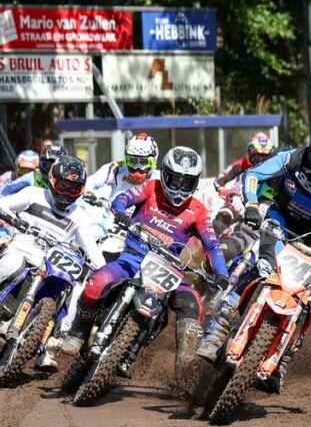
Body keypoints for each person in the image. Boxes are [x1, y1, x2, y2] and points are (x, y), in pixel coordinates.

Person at [196, 117, 311, 391]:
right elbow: (253, 175)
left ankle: (284, 359)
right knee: (261, 269)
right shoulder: (293, 159)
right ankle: (216, 331)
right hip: (281, 223)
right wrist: (252, 205)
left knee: (310, 299)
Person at [58, 147, 229, 380]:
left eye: (186, 182)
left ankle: (185, 372)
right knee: (97, 282)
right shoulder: (150, 187)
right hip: (133, 258)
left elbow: (212, 245)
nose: (179, 188)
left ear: (195, 182)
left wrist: (222, 272)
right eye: (175, 180)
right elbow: (123, 198)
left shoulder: (198, 210)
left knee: (194, 303)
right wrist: (120, 211)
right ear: (165, 174)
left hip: (168, 269)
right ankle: (78, 332)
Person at [0, 156, 105, 371]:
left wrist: (104, 272)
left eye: (73, 188)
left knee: (69, 291)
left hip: (52, 263)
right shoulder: (33, 194)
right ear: (52, 179)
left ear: (81, 189)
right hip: (23, 248)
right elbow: (3, 203)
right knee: (12, 263)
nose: (66, 192)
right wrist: (14, 219)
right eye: (63, 185)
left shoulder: (79, 216)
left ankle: (46, 345)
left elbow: (91, 248)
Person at [211, 132, 276, 233]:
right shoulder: (242, 163)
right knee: (219, 223)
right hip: (237, 200)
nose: (261, 160)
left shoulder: (276, 169)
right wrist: (222, 189)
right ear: (250, 153)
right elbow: (220, 179)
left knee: (249, 229)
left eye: (265, 156)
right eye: (257, 156)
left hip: (260, 205)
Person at [1, 142, 69, 196]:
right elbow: (7, 189)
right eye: (48, 166)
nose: (51, 171)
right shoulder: (32, 176)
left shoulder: (70, 180)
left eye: (57, 167)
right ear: (41, 164)